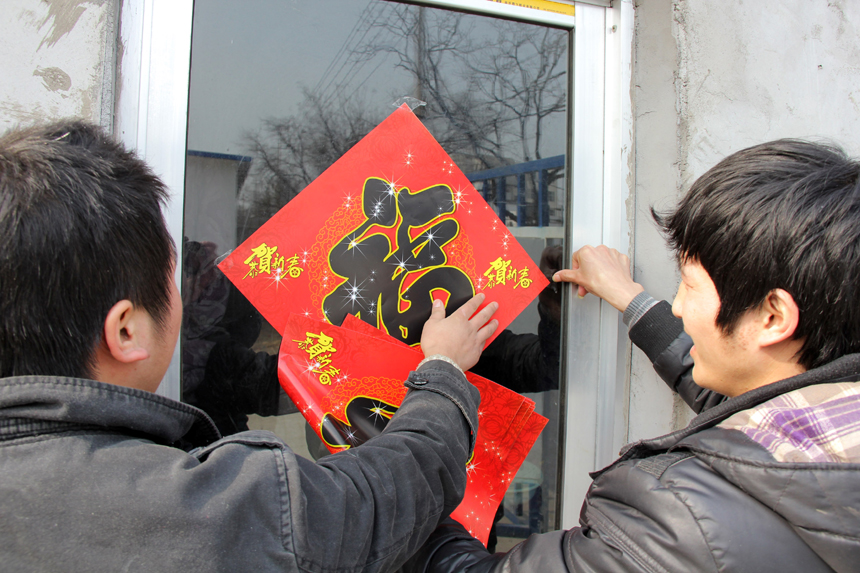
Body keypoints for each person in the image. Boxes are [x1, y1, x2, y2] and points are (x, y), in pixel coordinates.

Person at [0, 120, 500, 571]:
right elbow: (376, 500)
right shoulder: (208, 509)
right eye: (171, 279)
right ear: (126, 330)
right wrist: (442, 367)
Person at [404, 139, 860, 572]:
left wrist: (398, 478)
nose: (679, 305)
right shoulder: (825, 431)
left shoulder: (675, 521)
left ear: (773, 317)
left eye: (691, 285)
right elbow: (733, 395)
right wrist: (630, 299)